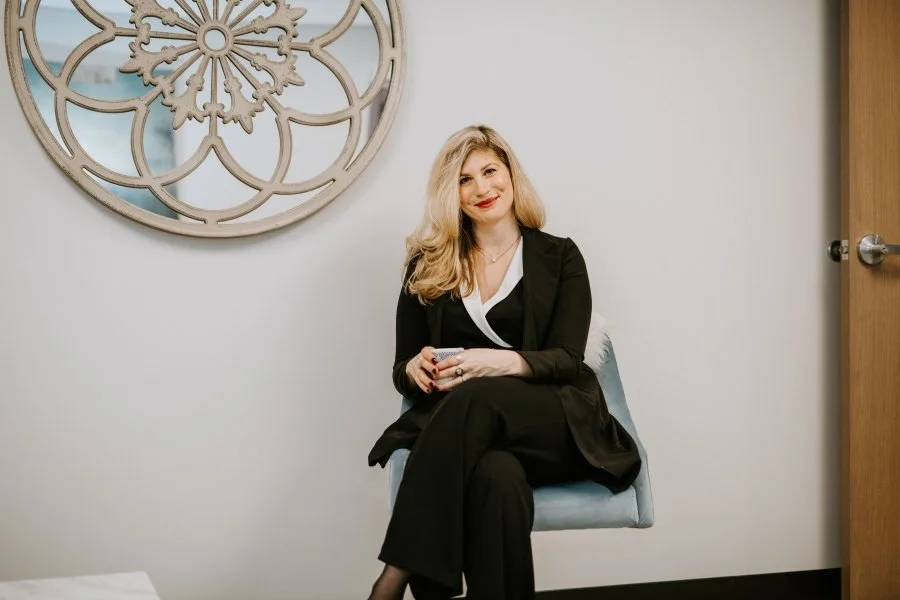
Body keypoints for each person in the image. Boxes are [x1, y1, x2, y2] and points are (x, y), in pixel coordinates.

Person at [366, 125, 641, 600]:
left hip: (555, 420)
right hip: (473, 437)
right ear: (450, 193)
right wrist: (414, 369)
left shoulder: (560, 256)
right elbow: (402, 368)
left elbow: (565, 360)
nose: (482, 188)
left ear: (511, 175)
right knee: (498, 477)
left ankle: (394, 577)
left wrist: (494, 363)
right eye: (465, 179)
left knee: (478, 396)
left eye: (490, 171)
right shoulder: (426, 265)